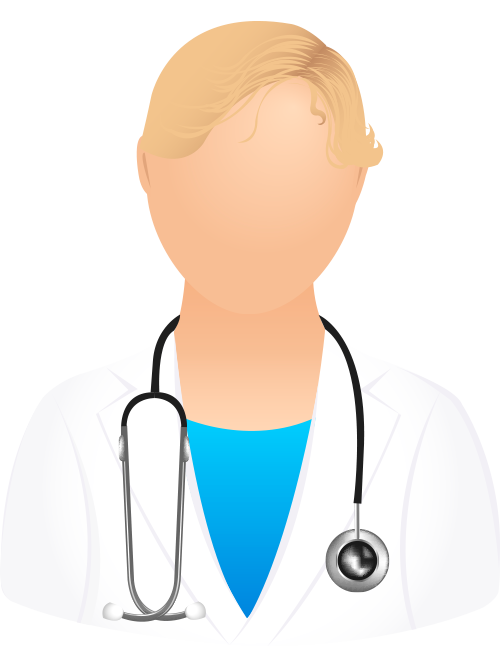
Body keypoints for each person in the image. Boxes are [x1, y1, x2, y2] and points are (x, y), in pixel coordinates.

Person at [2, 22, 498, 645]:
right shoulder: (70, 426)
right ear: (148, 171)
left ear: (354, 182)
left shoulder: (433, 430)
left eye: (292, 179)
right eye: (217, 178)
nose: (253, 216)